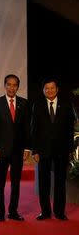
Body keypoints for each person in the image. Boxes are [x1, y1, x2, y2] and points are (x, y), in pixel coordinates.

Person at [31, 78, 75, 220]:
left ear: (57, 89)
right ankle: (45, 212)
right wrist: (35, 150)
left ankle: (59, 212)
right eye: (47, 88)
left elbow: (70, 129)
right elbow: (34, 129)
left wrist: (70, 150)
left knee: (60, 182)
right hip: (43, 150)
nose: (49, 91)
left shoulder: (67, 105)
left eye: (52, 88)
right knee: (43, 182)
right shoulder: (37, 105)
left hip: (61, 150)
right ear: (43, 90)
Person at [0, 74, 30, 222]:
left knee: (15, 183)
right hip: (0, 151)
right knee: (0, 183)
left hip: (18, 151)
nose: (12, 88)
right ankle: (0, 212)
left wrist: (27, 148)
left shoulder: (24, 103)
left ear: (17, 87)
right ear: (5, 85)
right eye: (9, 84)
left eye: (15, 85)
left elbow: (27, 128)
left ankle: (13, 211)